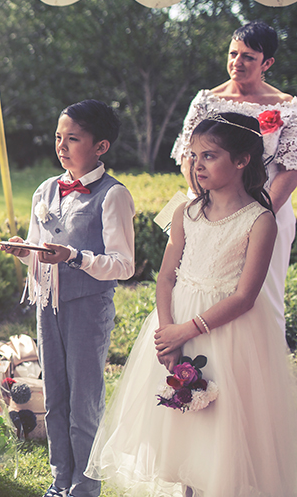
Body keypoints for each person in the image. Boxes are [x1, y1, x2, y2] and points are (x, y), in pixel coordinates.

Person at [86, 112, 297, 496]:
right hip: (175, 324)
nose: (197, 165)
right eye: (194, 155)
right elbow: (166, 276)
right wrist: (168, 332)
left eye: (210, 156)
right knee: (181, 425)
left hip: (228, 333)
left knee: (220, 426)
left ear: (242, 160)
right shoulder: (185, 211)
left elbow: (245, 296)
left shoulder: (261, 220)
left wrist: (189, 329)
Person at [1, 100, 135, 497]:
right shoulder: (46, 189)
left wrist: (76, 257)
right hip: (48, 306)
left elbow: (124, 264)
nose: (62, 145)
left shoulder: (113, 195)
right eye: (59, 137)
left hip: (88, 307)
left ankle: (85, 485)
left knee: (84, 400)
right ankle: (60, 479)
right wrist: (24, 250)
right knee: (56, 394)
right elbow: (39, 249)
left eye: (73, 138)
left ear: (100, 147)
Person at [172, 21, 297, 336]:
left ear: (266, 62)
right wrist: (208, 202)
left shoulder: (288, 107)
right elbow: (189, 156)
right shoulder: (205, 100)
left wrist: (257, 212)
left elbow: (290, 168)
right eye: (233, 53)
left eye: (248, 57)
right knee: (196, 281)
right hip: (206, 206)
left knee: (261, 294)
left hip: (266, 209)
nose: (236, 62)